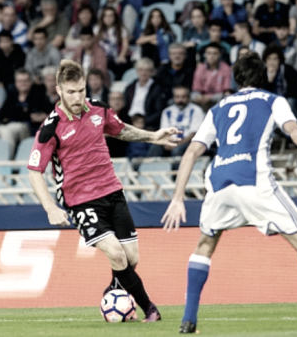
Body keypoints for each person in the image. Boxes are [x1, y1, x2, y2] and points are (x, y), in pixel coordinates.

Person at [161, 53, 297, 334]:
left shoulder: (218, 107)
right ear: (265, 77)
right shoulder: (273, 100)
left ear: (237, 79)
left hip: (219, 182)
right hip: (254, 180)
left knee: (204, 246)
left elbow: (191, 151)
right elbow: (294, 132)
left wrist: (177, 198)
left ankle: (188, 321)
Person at [27, 59, 180, 322]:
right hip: (80, 200)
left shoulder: (98, 109)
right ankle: (150, 309)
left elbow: (121, 131)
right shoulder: (50, 128)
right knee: (116, 253)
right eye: (71, 92)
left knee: (131, 258)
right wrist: (50, 207)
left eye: (81, 90)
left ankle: (112, 294)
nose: (77, 97)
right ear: (59, 91)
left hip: (112, 190)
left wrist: (153, 136)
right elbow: (34, 171)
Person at [0, 68, 50, 151]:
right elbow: (1, 114)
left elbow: (44, 113)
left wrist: (18, 113)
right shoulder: (12, 96)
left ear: (30, 82)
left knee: (8, 131)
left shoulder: (38, 95)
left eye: (26, 81)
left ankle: (8, 161)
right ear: (16, 83)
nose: (23, 83)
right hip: (10, 125)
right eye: (20, 81)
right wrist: (23, 112)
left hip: (27, 128)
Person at [151, 85, 205, 157]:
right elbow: (164, 132)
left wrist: (177, 144)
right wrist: (167, 142)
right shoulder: (167, 111)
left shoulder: (196, 110)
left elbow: (194, 134)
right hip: (170, 141)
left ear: (188, 97)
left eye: (183, 97)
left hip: (189, 142)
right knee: (155, 147)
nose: (180, 100)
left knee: (177, 150)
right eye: (177, 97)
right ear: (173, 98)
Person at [262, 46, 297, 117]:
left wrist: (280, 100)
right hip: (275, 103)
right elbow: (263, 94)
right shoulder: (262, 73)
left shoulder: (289, 70)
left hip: (296, 101)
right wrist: (270, 80)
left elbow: (295, 91)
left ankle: (292, 126)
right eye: (269, 59)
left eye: (275, 59)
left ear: (280, 60)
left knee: (289, 102)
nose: (272, 62)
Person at [124, 58, 167, 130]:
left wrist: (142, 122)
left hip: (147, 123)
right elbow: (125, 107)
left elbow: (159, 112)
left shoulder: (158, 89)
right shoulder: (130, 88)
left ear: (151, 72)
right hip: (129, 121)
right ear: (137, 71)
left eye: (147, 70)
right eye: (141, 70)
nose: (143, 73)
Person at [191, 43, 232, 109]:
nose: (211, 56)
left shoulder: (226, 69)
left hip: (219, 100)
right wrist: (200, 97)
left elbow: (227, 91)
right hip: (202, 100)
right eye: (209, 53)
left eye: (215, 53)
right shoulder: (200, 69)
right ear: (205, 55)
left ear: (219, 55)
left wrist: (211, 97)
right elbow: (196, 90)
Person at [95, 7, 131, 79]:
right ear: (102, 18)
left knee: (122, 64)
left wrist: (121, 56)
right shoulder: (97, 29)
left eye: (111, 16)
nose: (108, 18)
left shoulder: (121, 29)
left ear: (115, 17)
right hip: (103, 56)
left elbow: (125, 45)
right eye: (106, 16)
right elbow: (95, 44)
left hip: (117, 56)